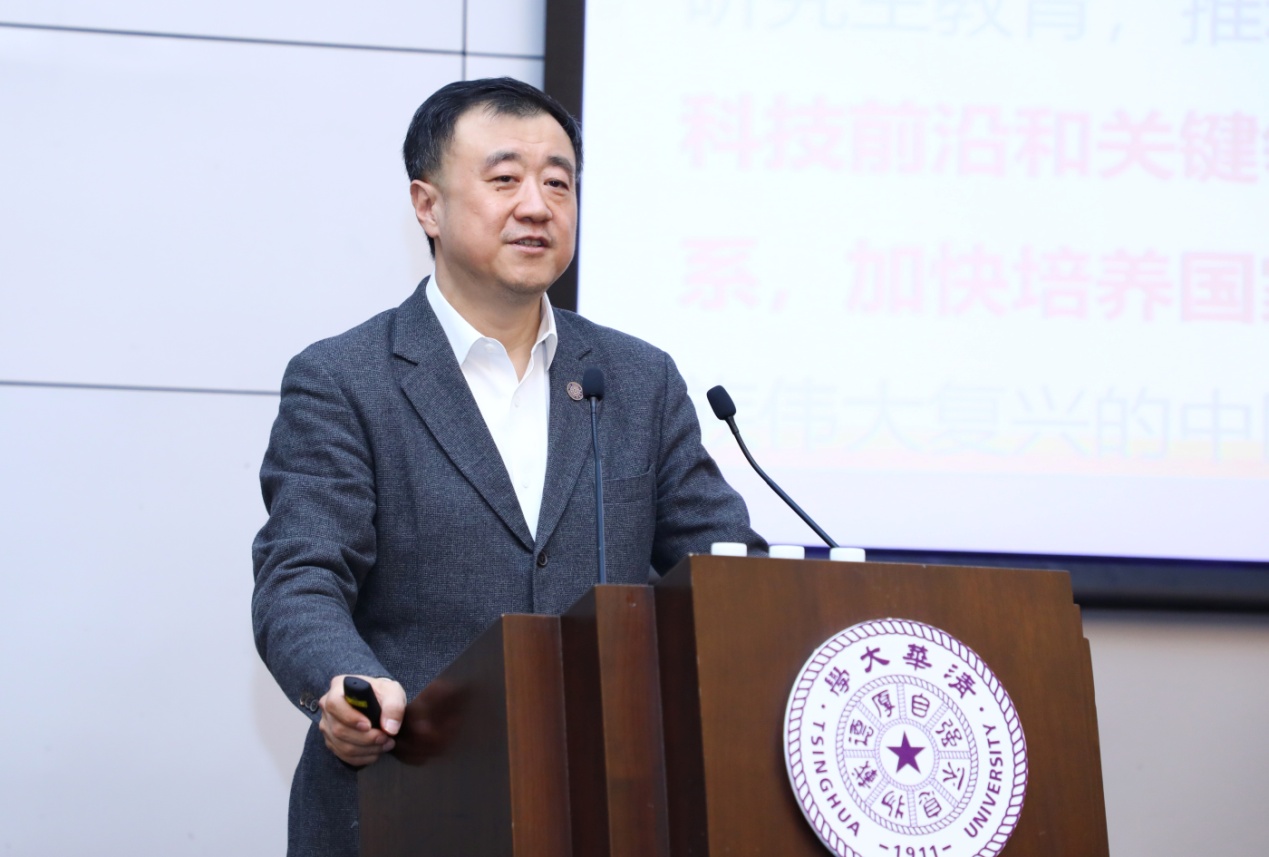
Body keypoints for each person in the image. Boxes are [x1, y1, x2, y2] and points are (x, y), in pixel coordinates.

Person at [251, 77, 764, 855]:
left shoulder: (636, 378)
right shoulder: (345, 379)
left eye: (558, 183)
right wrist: (350, 686)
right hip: (404, 793)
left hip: (608, 803)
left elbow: (723, 570)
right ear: (427, 205)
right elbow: (302, 575)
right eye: (504, 179)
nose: (537, 206)